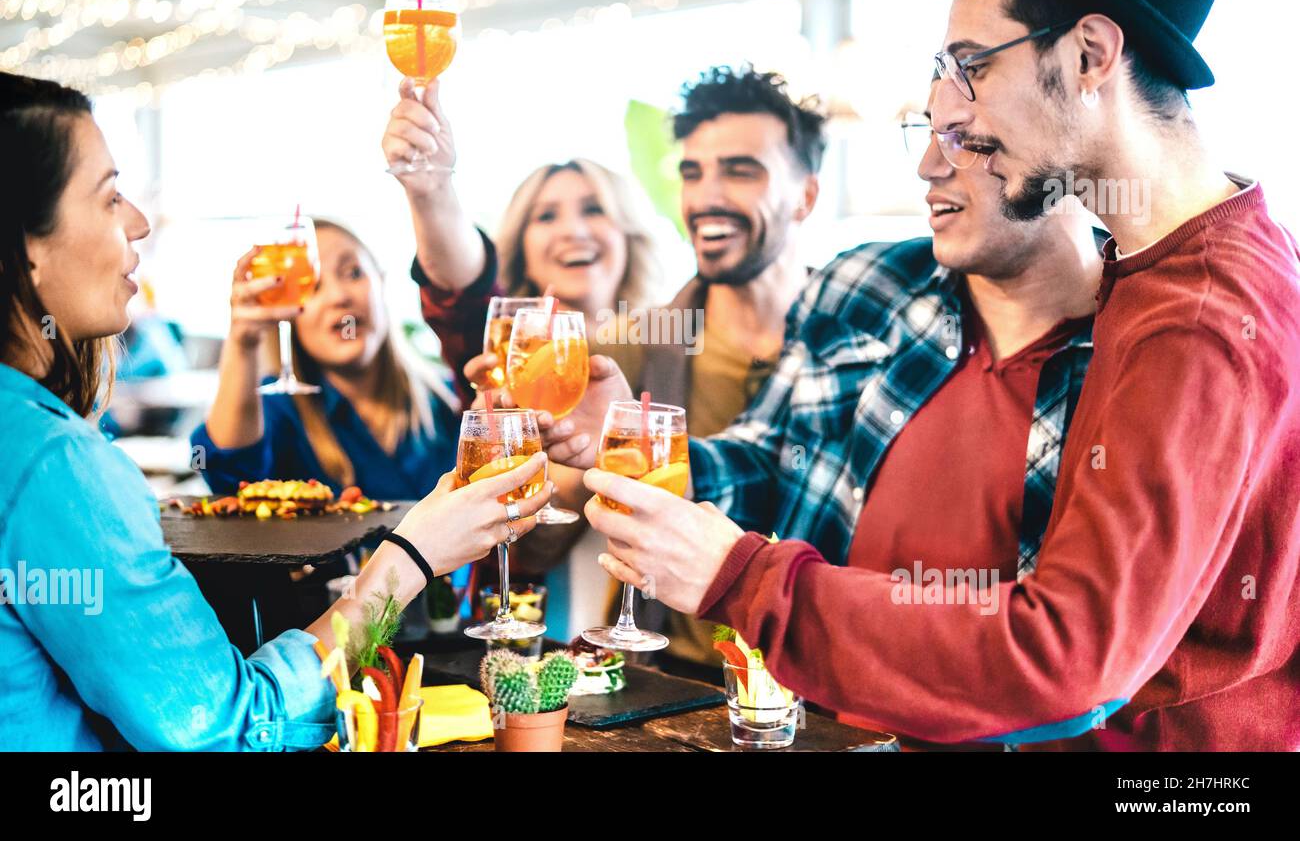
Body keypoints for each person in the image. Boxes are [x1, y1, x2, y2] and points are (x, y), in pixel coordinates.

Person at [571, 0, 1300, 751]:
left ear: (1091, 56)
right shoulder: (1169, 271)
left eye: (974, 70)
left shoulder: (1197, 318)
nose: (953, 125)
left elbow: (1063, 657)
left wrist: (746, 579)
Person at [546, 76, 1104, 747]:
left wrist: (748, 580)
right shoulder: (863, 285)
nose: (928, 166)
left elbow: (1067, 648)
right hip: (811, 719)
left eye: (963, 140)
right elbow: (772, 455)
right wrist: (636, 446)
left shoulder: (1134, 346)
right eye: (928, 135)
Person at [0, 72, 552, 750]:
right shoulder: (53, 463)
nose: (140, 222)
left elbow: (468, 306)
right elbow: (222, 726)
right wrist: (410, 555)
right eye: (111, 196)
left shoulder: (440, 401)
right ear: (27, 245)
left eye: (354, 271)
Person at [381, 66, 828, 675]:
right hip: (677, 677)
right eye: (692, 172)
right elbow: (463, 296)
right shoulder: (620, 352)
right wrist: (431, 190)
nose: (707, 195)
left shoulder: (855, 343)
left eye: (741, 169)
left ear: (806, 195)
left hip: (827, 676)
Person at [192, 218, 460, 502]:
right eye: (314, 285)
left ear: (381, 282)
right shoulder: (277, 409)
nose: (339, 297)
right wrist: (242, 343)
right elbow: (228, 473)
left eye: (353, 273)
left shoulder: (452, 400)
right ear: (289, 312)